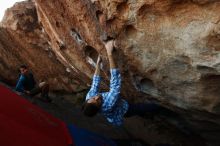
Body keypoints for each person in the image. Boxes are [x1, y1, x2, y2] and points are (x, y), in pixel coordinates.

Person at [82, 40, 165, 126]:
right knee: (142, 108)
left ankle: (145, 114)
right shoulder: (108, 104)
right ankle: (164, 108)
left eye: (93, 98)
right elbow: (115, 81)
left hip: (120, 103)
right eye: (98, 101)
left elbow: (95, 82)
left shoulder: (90, 97)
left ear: (88, 100)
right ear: (99, 108)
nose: (97, 97)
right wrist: (109, 53)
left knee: (138, 110)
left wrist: (98, 64)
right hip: (125, 109)